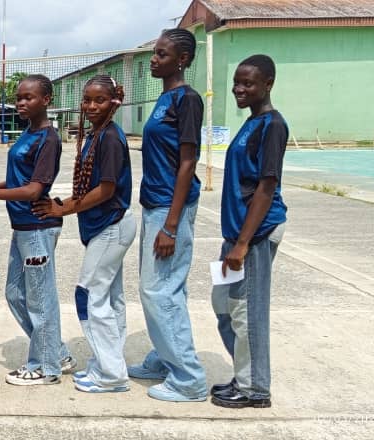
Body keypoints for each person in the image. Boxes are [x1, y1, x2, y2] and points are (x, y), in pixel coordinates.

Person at [0, 74, 72, 386]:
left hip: (38, 228)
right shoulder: (27, 133)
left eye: (29, 97)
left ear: (46, 100)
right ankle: (58, 352)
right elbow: (18, 181)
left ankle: (46, 367)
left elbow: (34, 190)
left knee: (40, 299)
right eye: (18, 98)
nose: (21, 103)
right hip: (23, 227)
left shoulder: (48, 139)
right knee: (15, 294)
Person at [33, 75, 136, 394]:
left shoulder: (111, 138)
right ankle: (109, 364)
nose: (91, 106)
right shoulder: (96, 134)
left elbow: (106, 190)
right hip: (104, 226)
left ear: (114, 102)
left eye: (99, 100)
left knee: (88, 295)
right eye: (87, 100)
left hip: (112, 225)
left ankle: (111, 375)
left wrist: (63, 208)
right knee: (109, 299)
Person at [127, 28, 209, 402]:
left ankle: (189, 378)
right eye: (154, 53)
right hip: (154, 204)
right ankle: (164, 356)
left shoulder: (187, 100)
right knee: (163, 288)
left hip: (169, 209)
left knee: (160, 291)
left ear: (183, 60)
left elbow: (189, 161)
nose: (154, 59)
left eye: (161, 54)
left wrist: (172, 225)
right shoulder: (164, 99)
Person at [210, 55, 287, 409]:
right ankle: (246, 373)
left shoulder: (272, 125)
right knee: (224, 306)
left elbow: (266, 187)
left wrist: (242, 243)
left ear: (268, 84)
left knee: (246, 310)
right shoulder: (251, 122)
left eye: (248, 83)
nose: (239, 89)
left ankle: (256, 388)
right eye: (237, 82)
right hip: (237, 232)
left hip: (254, 234)